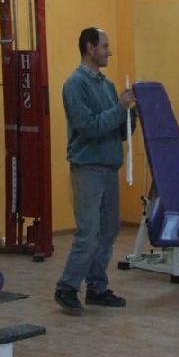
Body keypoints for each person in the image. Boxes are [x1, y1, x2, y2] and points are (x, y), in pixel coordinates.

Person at [54, 26, 136, 316]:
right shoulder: (75, 85)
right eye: (104, 46)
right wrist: (120, 109)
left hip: (108, 167)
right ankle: (67, 287)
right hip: (87, 168)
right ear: (90, 48)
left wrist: (132, 112)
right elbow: (90, 127)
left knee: (109, 230)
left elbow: (119, 131)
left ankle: (97, 287)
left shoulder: (107, 86)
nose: (109, 52)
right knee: (88, 233)